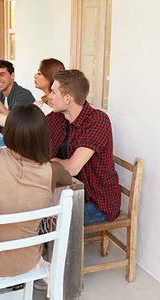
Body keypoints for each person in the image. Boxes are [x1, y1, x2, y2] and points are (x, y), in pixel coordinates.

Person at [0, 105, 72, 277]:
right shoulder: (53, 170)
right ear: (43, 136)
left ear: (8, 133)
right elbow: (68, 180)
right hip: (29, 259)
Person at [48, 69, 121, 224]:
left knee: (45, 215)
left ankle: (48, 247)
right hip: (70, 192)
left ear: (67, 98)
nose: (49, 97)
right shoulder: (59, 117)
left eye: (53, 92)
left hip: (98, 203)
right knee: (30, 204)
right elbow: (26, 128)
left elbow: (73, 168)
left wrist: (51, 161)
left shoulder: (98, 121)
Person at [0, 58, 65, 126]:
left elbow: (15, 122)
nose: (35, 76)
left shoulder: (24, 96)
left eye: (39, 73)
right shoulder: (39, 104)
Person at [0, 60, 35, 131]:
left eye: (2, 75)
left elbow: (13, 120)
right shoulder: (0, 96)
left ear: (12, 75)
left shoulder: (24, 95)